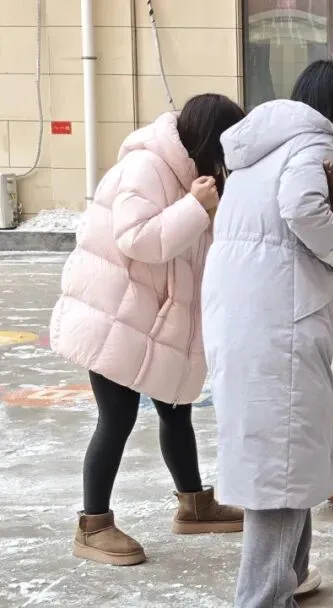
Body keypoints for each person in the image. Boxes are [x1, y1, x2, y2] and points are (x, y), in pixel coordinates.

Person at [201, 59, 333, 607]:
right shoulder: (312, 145)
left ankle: (292, 575)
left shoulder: (258, 157)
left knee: (289, 452)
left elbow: (288, 260)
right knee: (279, 465)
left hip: (252, 319)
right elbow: (302, 214)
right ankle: (261, 597)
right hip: (277, 330)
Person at [50, 93, 247, 567]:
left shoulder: (189, 175)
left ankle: (193, 505)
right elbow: (136, 238)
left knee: (176, 410)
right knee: (115, 418)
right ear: (207, 140)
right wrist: (197, 208)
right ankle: (92, 525)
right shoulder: (147, 166)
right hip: (114, 317)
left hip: (151, 320)